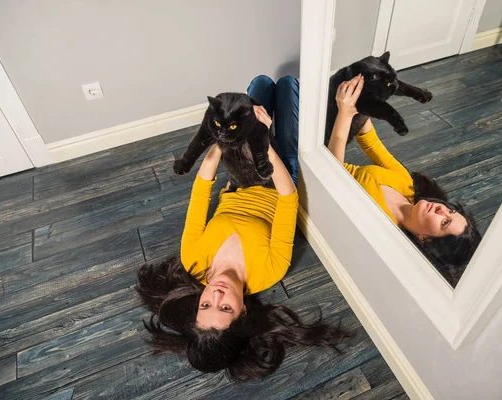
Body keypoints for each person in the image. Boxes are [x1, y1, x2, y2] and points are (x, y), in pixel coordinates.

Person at [136, 75, 345, 382]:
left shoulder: (193, 260)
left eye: (206, 304)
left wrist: (223, 144)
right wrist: (264, 141)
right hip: (280, 176)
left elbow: (201, 192)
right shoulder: (270, 271)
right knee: (287, 85)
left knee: (260, 85)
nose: (217, 296)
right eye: (225, 309)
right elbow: (288, 200)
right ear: (243, 312)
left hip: (239, 176)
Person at [328, 74, 482, 286]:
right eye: (451, 211)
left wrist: (345, 114)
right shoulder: (408, 187)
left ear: (425, 240)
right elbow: (371, 143)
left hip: (308, 174)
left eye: (445, 222)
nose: (442, 209)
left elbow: (330, 179)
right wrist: (366, 102)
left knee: (288, 88)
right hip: (325, 154)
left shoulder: (380, 227)